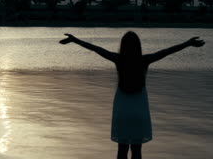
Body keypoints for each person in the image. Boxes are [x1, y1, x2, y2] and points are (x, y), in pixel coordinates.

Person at [59, 31, 205, 159]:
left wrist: (75, 40)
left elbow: (97, 49)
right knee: (137, 151)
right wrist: (187, 43)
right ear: (138, 46)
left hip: (122, 111)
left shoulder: (118, 59)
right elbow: (166, 51)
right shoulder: (145, 60)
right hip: (139, 112)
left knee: (122, 150)